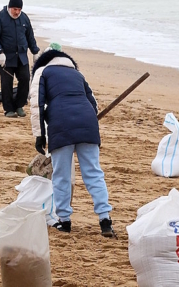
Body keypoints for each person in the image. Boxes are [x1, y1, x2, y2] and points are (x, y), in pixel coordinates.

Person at [29, 43, 115, 238]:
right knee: (94, 173)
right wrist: (88, 124)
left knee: (62, 175)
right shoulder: (77, 73)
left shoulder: (42, 72)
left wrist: (39, 135)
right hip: (88, 124)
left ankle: (65, 221)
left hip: (60, 124)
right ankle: (105, 220)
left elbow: (36, 104)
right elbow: (93, 103)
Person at [0, 0, 39, 118]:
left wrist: (35, 51)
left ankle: (19, 105)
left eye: (19, 9)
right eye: (15, 9)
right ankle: (9, 109)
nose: (17, 12)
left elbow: (30, 36)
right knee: (7, 83)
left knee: (25, 79)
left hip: (21, 57)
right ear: (9, 7)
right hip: (5, 58)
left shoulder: (24, 18)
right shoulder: (0, 18)